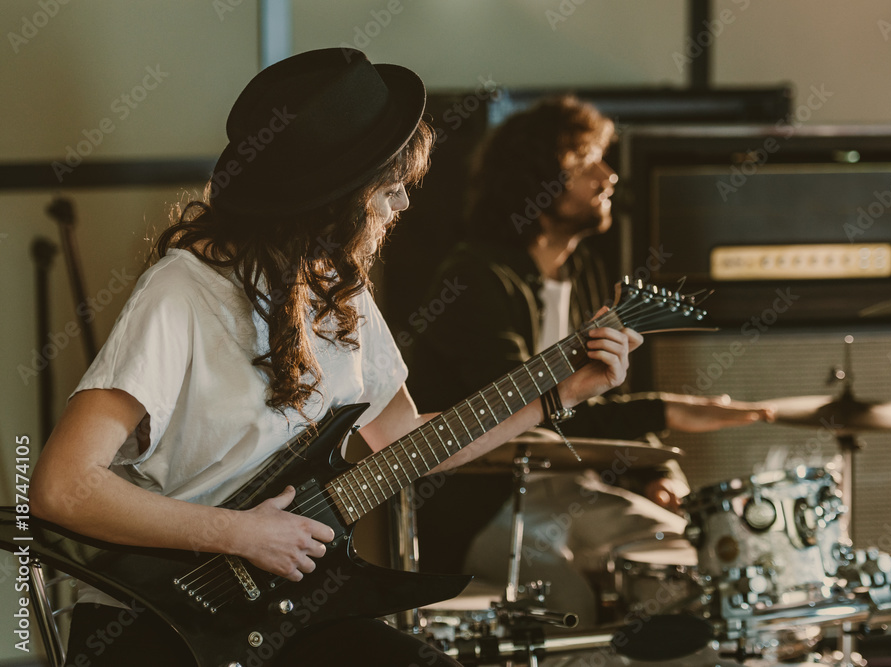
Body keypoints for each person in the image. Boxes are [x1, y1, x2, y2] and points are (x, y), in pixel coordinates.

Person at [30, 50, 643, 667]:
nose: (401, 206)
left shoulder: (339, 294)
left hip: (279, 614)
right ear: (333, 199)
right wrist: (239, 533)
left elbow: (412, 443)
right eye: (390, 188)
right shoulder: (180, 293)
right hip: (160, 622)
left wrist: (561, 393)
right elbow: (62, 486)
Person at [404, 96, 773, 632]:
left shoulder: (588, 275)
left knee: (692, 559)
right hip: (484, 507)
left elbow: (598, 402)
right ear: (537, 179)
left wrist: (655, 469)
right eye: (585, 163)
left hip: (574, 490)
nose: (609, 176)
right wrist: (664, 412)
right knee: (568, 605)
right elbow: (524, 411)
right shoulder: (474, 280)